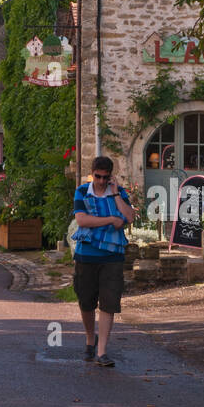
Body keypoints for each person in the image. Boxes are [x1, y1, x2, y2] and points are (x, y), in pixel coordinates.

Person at [71, 155, 134, 368]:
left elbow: (130, 216)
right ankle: (91, 338)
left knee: (109, 303)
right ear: (92, 173)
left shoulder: (119, 192)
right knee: (86, 302)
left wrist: (115, 193)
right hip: (86, 254)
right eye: (97, 176)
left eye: (105, 178)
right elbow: (81, 219)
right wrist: (110, 220)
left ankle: (102, 352)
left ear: (110, 176)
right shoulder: (82, 191)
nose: (100, 181)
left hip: (113, 256)